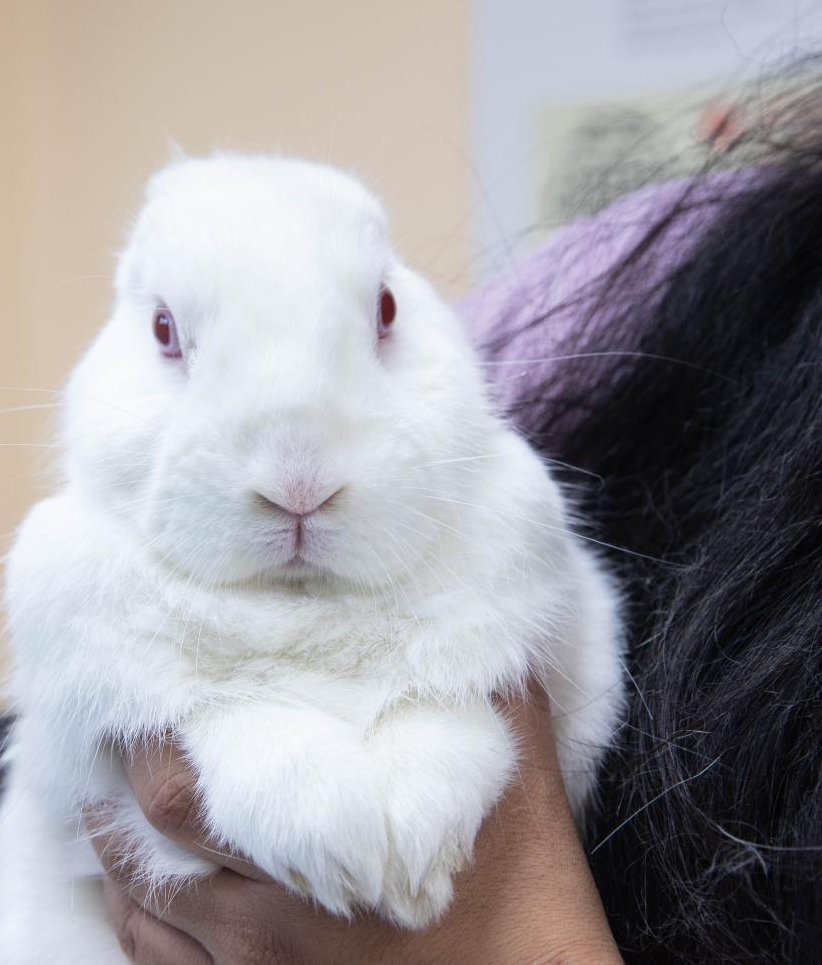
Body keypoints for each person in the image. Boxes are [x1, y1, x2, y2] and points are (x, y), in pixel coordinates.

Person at [89, 82, 822, 963]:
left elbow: (550, 697)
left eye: (380, 315)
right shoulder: (649, 261)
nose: (295, 484)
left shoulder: (493, 484)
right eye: (170, 334)